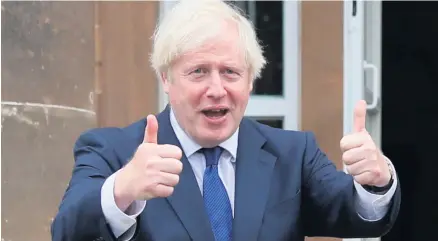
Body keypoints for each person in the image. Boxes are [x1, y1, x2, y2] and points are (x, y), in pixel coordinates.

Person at [51, 0, 400, 240]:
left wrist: (378, 180)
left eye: (230, 72)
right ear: (166, 79)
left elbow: (357, 214)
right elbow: (67, 232)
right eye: (199, 71)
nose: (216, 89)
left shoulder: (294, 153)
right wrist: (124, 188)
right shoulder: (113, 150)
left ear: (250, 80)